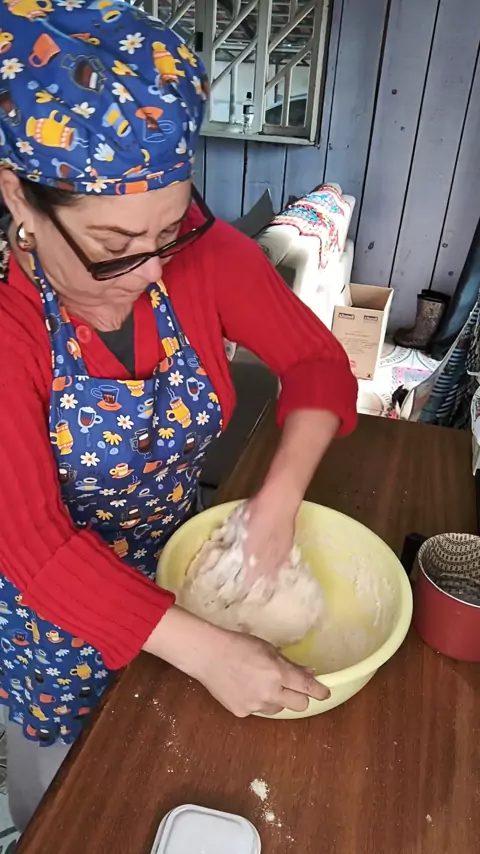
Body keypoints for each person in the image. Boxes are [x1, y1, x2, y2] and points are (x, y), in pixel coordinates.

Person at [0, 0, 357, 832]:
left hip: (178, 570)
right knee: (69, 801)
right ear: (20, 197)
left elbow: (317, 365)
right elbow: (33, 545)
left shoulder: (201, 255)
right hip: (54, 614)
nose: (152, 271)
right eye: (115, 245)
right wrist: (209, 651)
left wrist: (278, 503)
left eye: (169, 228)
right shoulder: (12, 325)